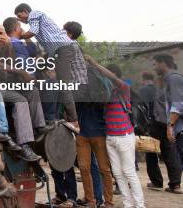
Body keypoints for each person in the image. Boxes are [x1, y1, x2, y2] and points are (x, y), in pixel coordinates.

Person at [0, 24, 43, 161]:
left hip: (6, 83)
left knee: (32, 89)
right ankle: (24, 144)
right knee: (20, 100)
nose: (2, 36)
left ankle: (39, 128)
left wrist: (10, 47)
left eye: (4, 33)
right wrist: (22, 72)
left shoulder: (5, 45)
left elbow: (12, 63)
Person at [62, 21, 112, 207]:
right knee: (84, 167)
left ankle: (106, 201)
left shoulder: (95, 78)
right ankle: (91, 200)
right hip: (82, 130)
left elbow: (104, 95)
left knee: (103, 169)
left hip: (97, 129)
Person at [15, 3, 87, 129]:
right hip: (56, 52)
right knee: (47, 76)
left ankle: (74, 121)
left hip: (62, 50)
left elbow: (32, 32)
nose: (21, 20)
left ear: (26, 11)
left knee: (63, 85)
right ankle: (55, 117)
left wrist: (18, 35)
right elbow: (36, 47)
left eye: (20, 16)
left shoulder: (35, 14)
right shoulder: (36, 21)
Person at [86, 57, 145, 208]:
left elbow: (111, 77)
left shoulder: (124, 88)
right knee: (118, 174)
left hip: (124, 136)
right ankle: (127, 204)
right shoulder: (106, 94)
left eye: (109, 75)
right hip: (110, 137)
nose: (106, 78)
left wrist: (95, 63)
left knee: (129, 172)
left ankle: (140, 205)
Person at [154, 54, 183, 179]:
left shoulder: (174, 78)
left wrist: (170, 125)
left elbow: (179, 104)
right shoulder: (167, 80)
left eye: (155, 64)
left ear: (163, 64)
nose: (154, 67)